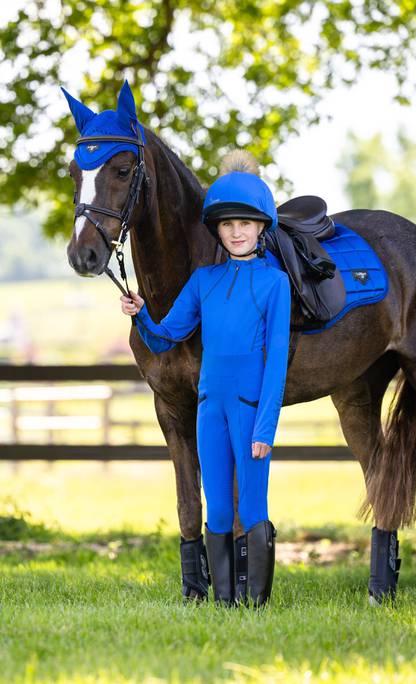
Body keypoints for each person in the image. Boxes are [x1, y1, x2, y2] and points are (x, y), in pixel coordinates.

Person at [120, 150, 291, 606]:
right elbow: (165, 338)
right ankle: (222, 602)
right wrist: (141, 316)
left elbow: (276, 364)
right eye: (228, 225)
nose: (237, 232)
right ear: (217, 229)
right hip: (208, 411)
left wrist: (265, 427)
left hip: (250, 410)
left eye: (247, 224)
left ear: (261, 228)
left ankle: (256, 601)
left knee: (251, 507)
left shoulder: (276, 284)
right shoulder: (202, 281)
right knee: (217, 508)